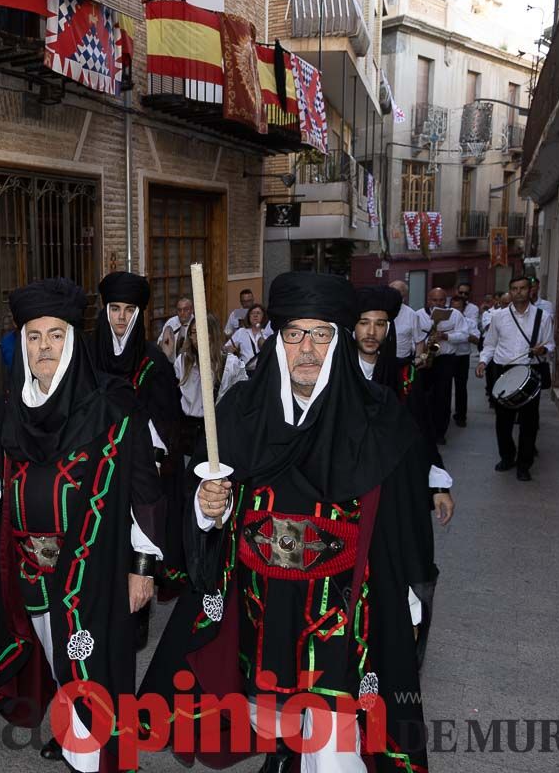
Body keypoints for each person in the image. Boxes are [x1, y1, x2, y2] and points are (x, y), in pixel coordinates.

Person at [139, 272, 431, 773]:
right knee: (279, 725)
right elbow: (211, 514)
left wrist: (404, 597)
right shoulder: (238, 414)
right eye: (295, 334)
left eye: (322, 334)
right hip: (263, 612)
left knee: (336, 748)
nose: (308, 349)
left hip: (342, 617)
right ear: (278, 342)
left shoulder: (380, 421)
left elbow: (400, 522)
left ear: (338, 342)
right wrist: (207, 511)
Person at [0, 278, 165, 773]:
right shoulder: (11, 402)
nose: (44, 346)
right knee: (53, 656)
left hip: (94, 571)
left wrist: (143, 567)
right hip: (30, 568)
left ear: (73, 339)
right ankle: (73, 735)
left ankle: (88, 753)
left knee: (86, 667)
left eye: (55, 335)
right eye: (33, 336)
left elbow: (144, 493)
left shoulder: (114, 403)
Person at [355, 285, 453, 668]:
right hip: (351, 495)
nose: (371, 332)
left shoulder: (404, 376)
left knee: (401, 568)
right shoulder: (336, 375)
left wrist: (438, 485)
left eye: (380, 324)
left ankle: (402, 655)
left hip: (397, 494)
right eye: (363, 323)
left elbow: (421, 435)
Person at [93, 271, 184, 620]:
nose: (120, 317)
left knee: (135, 544)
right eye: (114, 308)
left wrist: (157, 460)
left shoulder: (153, 361)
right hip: (95, 466)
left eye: (128, 310)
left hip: (139, 467)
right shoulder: (86, 354)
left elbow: (165, 419)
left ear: (138, 313)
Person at [477, 276, 554, 482]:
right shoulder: (499, 317)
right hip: (504, 370)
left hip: (531, 370)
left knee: (529, 422)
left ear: (530, 290)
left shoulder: (542, 316)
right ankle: (507, 456)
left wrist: (543, 348)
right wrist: (483, 362)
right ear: (510, 292)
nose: (518, 292)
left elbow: (551, 344)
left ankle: (524, 465)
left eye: (522, 288)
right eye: (514, 289)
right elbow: (490, 344)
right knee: (503, 420)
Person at [175, 313, 247, 462]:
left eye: (202, 331)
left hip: (218, 429)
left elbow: (243, 398)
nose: (196, 337)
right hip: (188, 430)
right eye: (193, 332)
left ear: (212, 334)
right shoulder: (182, 362)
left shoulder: (231, 364)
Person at [422, 287, 472, 443]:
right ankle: (426, 428)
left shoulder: (455, 315)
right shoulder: (419, 315)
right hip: (426, 358)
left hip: (445, 359)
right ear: (428, 300)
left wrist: (446, 336)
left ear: (446, 300)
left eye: (441, 300)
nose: (438, 303)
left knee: (443, 396)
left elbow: (464, 335)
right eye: (434, 300)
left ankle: (440, 432)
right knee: (425, 396)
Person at [449, 294, 480, 428]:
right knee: (444, 388)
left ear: (464, 309)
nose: (456, 312)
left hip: (462, 356)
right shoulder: (445, 321)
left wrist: (463, 336)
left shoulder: (470, 322)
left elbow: (477, 339)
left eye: (459, 308)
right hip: (447, 357)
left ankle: (461, 416)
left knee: (461, 388)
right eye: (453, 308)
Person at [388, 279, 432, 365]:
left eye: (398, 293)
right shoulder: (379, 311)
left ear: (404, 297)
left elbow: (419, 340)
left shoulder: (411, 314)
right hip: (380, 359)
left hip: (402, 360)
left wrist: (418, 358)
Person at [227, 303, 272, 373]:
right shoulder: (241, 332)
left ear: (263, 316)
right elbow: (225, 348)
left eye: (258, 313)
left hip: (263, 372)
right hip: (245, 372)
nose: (255, 315)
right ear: (248, 316)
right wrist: (229, 349)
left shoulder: (268, 333)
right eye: (252, 313)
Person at [158, 295, 194, 359]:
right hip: (171, 362)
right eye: (179, 310)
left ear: (191, 310)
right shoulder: (171, 322)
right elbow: (160, 341)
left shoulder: (196, 324)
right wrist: (166, 345)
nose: (182, 313)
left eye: (185, 309)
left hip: (189, 363)